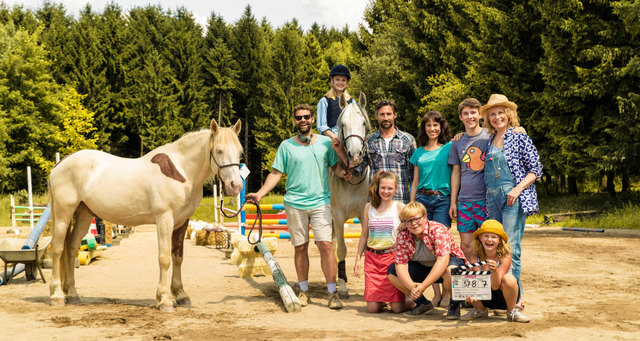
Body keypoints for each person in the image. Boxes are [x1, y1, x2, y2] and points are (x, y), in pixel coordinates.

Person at [246, 104, 350, 310]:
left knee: (326, 246)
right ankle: (303, 291)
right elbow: (275, 173)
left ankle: (332, 292)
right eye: (298, 117)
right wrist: (259, 194)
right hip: (294, 204)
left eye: (306, 117)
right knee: (300, 247)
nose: (302, 120)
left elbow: (337, 170)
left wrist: (342, 160)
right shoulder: (286, 146)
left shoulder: (326, 144)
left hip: (321, 202)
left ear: (313, 119)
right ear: (294, 121)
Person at [480, 94, 543, 308]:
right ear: (488, 119)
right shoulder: (489, 141)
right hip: (492, 197)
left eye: (500, 113)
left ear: (509, 114)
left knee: (511, 249)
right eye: (492, 114)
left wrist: (517, 189)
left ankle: (516, 298)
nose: (497, 117)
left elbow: (536, 169)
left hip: (511, 197)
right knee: (494, 249)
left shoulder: (519, 136)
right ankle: (499, 295)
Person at [386, 202, 466, 319]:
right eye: (408, 221)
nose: (413, 224)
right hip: (424, 266)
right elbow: (401, 265)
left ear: (425, 217)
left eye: (416, 219)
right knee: (392, 272)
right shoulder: (402, 236)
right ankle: (422, 303)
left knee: (451, 271)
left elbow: (442, 261)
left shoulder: (438, 229)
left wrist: (423, 286)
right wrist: (413, 287)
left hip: (448, 264)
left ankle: (454, 304)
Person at [409, 110, 453, 307]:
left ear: (441, 127)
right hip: (422, 200)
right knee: (425, 247)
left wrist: (454, 202)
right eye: (428, 125)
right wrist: (411, 206)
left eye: (436, 125)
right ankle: (435, 292)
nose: (432, 128)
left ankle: (447, 291)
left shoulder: (450, 148)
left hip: (442, 199)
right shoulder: (418, 152)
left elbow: (455, 174)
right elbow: (415, 180)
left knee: (440, 246)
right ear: (424, 129)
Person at [353, 171, 410, 313]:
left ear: (395, 189)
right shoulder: (368, 207)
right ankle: (380, 300)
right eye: (383, 188)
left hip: (392, 258)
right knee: (373, 309)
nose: (386, 191)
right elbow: (364, 235)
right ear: (377, 188)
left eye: (390, 188)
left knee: (397, 309)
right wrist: (358, 259)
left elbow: (417, 223)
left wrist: (405, 225)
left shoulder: (399, 207)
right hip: (372, 259)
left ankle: (414, 302)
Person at [460, 219, 530, 322]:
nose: (490, 239)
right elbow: (478, 282)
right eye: (486, 236)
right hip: (485, 296)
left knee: (509, 278)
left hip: (503, 298)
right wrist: (470, 292)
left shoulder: (505, 256)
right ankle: (480, 311)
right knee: (466, 277)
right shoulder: (475, 257)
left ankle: (511, 311)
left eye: (494, 237)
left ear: (500, 240)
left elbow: (495, 286)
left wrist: (495, 271)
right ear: (480, 238)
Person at [354, 99, 416, 203]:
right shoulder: (368, 140)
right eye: (382, 114)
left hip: (400, 201)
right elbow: (359, 169)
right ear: (376, 116)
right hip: (376, 202)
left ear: (395, 115)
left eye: (389, 114)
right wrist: (351, 164)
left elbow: (414, 175)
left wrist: (413, 202)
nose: (386, 118)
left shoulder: (408, 139)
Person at [317, 64, 353, 142]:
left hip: (349, 138)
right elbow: (321, 126)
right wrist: (335, 137)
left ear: (347, 83)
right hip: (330, 138)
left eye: (343, 80)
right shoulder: (324, 101)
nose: (340, 82)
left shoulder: (352, 102)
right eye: (337, 79)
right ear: (331, 81)